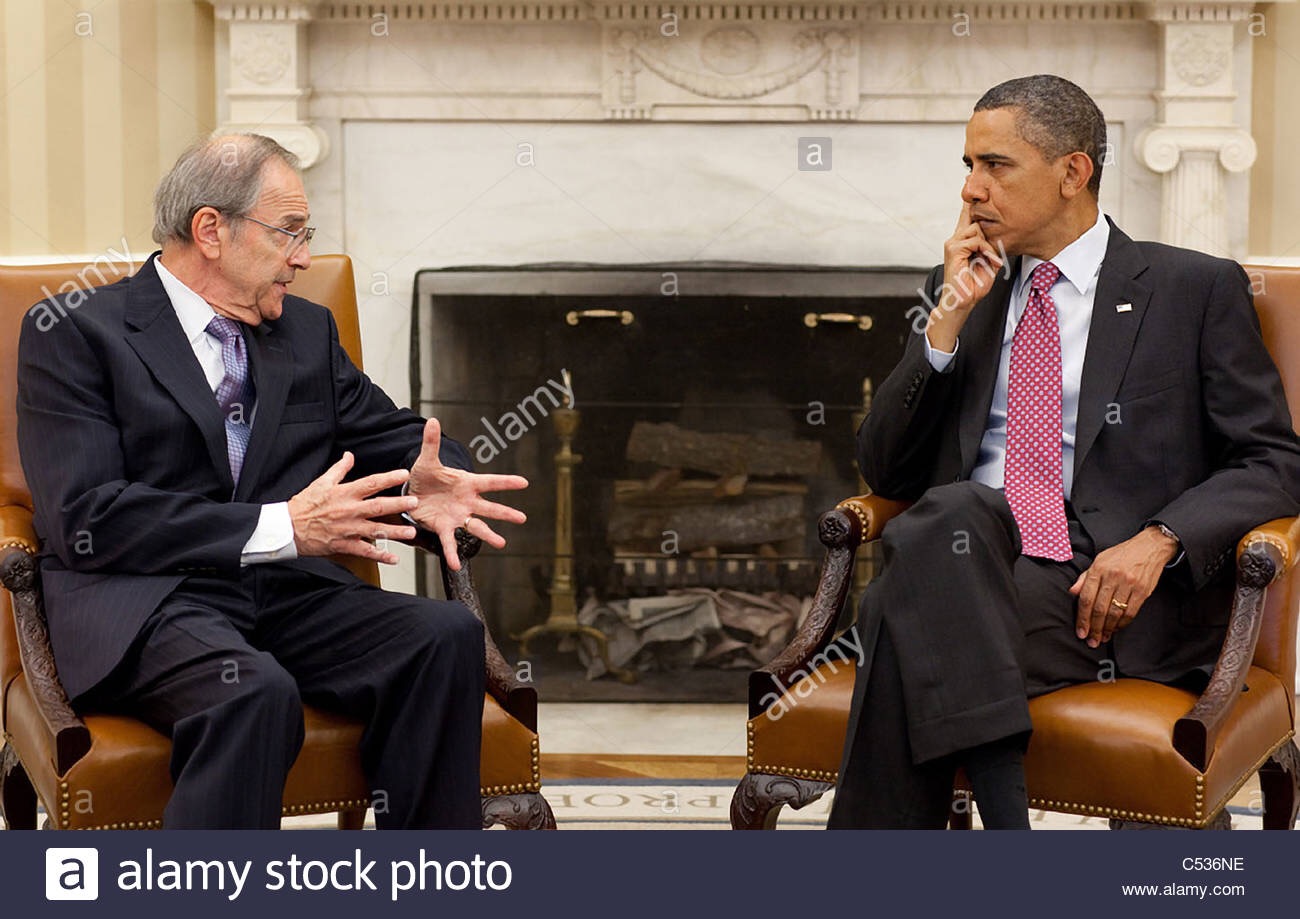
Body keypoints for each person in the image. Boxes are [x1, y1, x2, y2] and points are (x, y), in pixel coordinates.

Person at [827, 75, 1300, 829]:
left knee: (894, 610)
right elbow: (886, 471)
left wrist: (1159, 539)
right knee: (955, 512)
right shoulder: (960, 290)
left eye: (995, 165)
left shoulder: (1191, 289)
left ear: (1073, 172)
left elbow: (1274, 460)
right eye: (968, 166)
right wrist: (944, 323)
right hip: (970, 557)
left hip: (1102, 588)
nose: (971, 190)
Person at [16, 133, 529, 829]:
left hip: (286, 596)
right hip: (147, 602)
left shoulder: (305, 333)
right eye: (289, 231)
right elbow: (87, 515)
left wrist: (442, 477)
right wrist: (285, 525)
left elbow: (397, 437)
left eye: (305, 235)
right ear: (211, 230)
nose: (303, 257)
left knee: (442, 636)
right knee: (253, 693)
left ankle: (428, 876)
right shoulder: (78, 332)